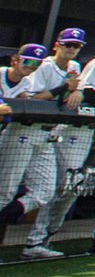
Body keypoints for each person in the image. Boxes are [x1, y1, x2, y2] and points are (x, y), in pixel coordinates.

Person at [18, 29, 86, 260]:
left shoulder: (74, 67)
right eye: (68, 44)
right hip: (24, 133)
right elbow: (31, 99)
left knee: (47, 191)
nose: (71, 49)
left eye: (76, 45)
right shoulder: (45, 66)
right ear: (57, 45)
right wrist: (64, 88)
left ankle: (35, 241)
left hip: (48, 136)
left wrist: (76, 89)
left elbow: (74, 88)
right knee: (5, 191)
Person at [0, 45, 60, 243]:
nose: (32, 67)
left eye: (37, 63)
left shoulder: (27, 84)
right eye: (28, 61)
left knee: (9, 193)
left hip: (8, 139)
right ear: (15, 60)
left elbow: (28, 101)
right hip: (10, 139)